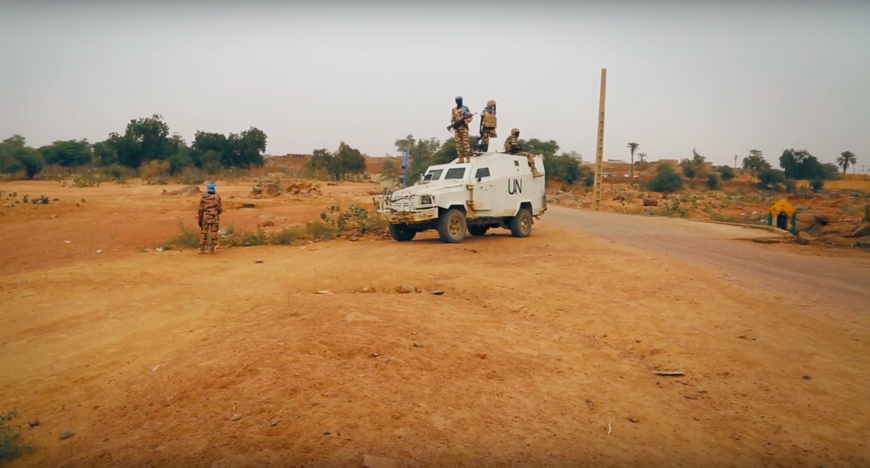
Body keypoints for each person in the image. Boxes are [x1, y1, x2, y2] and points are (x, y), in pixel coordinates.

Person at [197, 181, 223, 254]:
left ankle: (202, 249)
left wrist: (200, 218)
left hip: (205, 217)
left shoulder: (204, 197)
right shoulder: (217, 197)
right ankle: (212, 248)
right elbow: (220, 209)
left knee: (204, 232)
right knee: (214, 232)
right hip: (214, 217)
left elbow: (200, 209)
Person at [450, 96, 473, 163]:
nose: (459, 102)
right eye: (457, 100)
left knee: (466, 144)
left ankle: (468, 158)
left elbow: (470, 117)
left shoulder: (465, 108)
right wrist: (454, 124)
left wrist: (465, 121)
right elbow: (452, 119)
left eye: (460, 100)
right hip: (457, 129)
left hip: (464, 128)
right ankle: (461, 159)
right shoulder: (454, 110)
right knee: (458, 145)